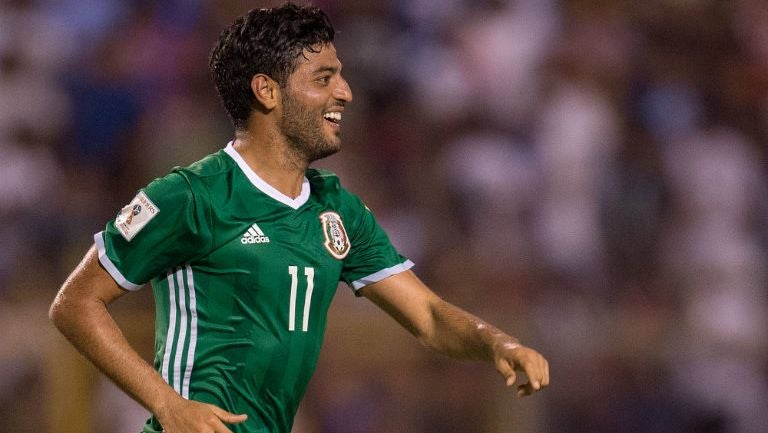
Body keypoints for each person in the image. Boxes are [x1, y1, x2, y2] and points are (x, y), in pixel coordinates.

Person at [49, 3, 550, 433]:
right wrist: (168, 405)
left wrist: (497, 343)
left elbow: (429, 316)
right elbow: (75, 303)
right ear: (267, 91)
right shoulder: (192, 196)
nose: (346, 93)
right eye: (324, 78)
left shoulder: (337, 210)